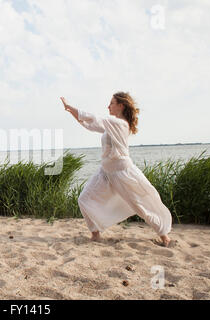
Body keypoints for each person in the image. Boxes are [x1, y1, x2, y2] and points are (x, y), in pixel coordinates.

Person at [60, 92, 174, 247]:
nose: (108, 106)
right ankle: (95, 234)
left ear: (121, 106)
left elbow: (93, 117)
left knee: (140, 206)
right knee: (84, 199)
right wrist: (70, 111)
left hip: (122, 171)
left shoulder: (121, 124)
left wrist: (70, 107)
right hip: (105, 171)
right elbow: (89, 124)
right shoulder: (111, 125)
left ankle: (164, 236)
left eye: (112, 103)